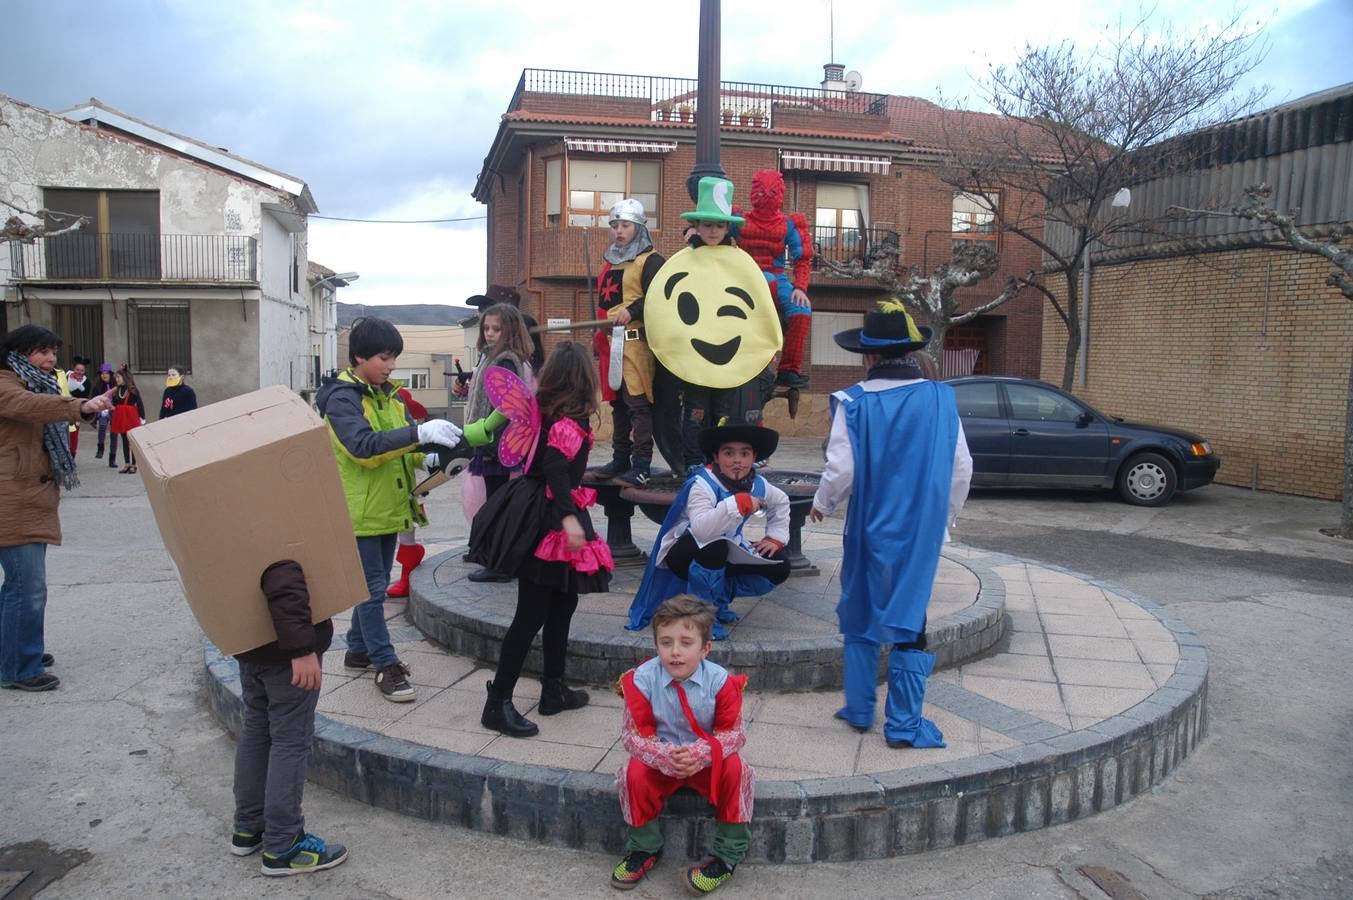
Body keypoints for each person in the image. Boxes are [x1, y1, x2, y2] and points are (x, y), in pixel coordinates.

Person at [810, 300, 973, 748]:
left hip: (869, 525)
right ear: (908, 352)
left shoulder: (853, 402)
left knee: (861, 606)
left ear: (868, 356)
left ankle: (861, 708)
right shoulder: (941, 397)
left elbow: (842, 470)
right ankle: (902, 723)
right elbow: (962, 466)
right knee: (910, 617)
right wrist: (946, 516)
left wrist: (823, 502)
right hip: (920, 531)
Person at [468, 341, 612, 737]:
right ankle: (496, 704)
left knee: (562, 603)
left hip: (537, 508)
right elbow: (554, 464)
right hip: (548, 516)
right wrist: (568, 516)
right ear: (584, 377)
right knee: (530, 616)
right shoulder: (571, 416)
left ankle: (554, 690)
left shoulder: (544, 408)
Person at [315, 316, 463, 703]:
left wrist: (428, 458)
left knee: (374, 584)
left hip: (389, 506)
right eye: (384, 357)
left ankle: (358, 650)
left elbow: (403, 449)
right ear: (360, 356)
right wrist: (418, 433)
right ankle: (385, 663)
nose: (391, 365)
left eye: (394, 358)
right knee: (371, 592)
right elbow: (364, 447)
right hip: (359, 512)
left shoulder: (390, 394)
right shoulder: (342, 398)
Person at [611, 596, 753, 894]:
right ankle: (645, 848)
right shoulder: (640, 680)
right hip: (662, 759)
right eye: (666, 642)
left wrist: (700, 754)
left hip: (705, 762)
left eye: (686, 643)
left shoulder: (720, 681)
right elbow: (633, 736)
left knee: (736, 768)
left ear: (705, 648)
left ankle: (727, 856)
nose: (675, 652)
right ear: (656, 645)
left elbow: (734, 734)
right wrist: (665, 756)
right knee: (634, 772)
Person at [1, 325, 113, 691]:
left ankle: (16, 651)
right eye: (42, 351)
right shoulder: (8, 385)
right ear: (19, 353)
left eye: (52, 352)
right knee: (27, 587)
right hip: (13, 499)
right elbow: (29, 407)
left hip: (26, 498)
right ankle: (20, 667)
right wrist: (78, 406)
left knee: (18, 587)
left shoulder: (35, 382)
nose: (50, 359)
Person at [230, 560, 348, 876]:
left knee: (256, 728)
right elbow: (282, 579)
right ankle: (284, 844)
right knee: (290, 740)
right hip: (284, 656)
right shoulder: (277, 523)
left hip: (252, 647)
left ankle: (248, 826)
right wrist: (301, 650)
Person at [626, 423, 791, 639]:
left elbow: (781, 501)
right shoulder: (702, 484)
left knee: (779, 564)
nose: (737, 460)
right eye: (728, 453)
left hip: (728, 548)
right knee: (715, 547)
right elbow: (703, 530)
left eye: (744, 453)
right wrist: (737, 503)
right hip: (684, 552)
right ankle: (700, 616)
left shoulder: (757, 483)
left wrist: (775, 538)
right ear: (716, 456)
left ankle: (720, 597)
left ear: (754, 457)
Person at [589, 198, 665, 487]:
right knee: (617, 404)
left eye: (625, 225)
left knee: (637, 404)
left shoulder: (652, 261)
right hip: (611, 343)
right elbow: (604, 305)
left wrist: (632, 311)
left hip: (636, 343)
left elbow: (659, 298)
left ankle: (642, 464)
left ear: (639, 227)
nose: (618, 230)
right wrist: (598, 337)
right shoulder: (608, 263)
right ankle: (620, 458)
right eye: (614, 225)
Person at [458, 303, 536, 583]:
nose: (490, 333)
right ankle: (488, 551)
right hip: (491, 441)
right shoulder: (492, 356)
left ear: (511, 330)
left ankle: (500, 563)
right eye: (486, 328)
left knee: (497, 503)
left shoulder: (506, 359)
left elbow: (506, 407)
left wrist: (485, 439)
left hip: (497, 444)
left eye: (496, 329)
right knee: (494, 501)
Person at [733, 170, 814, 389]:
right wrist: (694, 232)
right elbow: (714, 229)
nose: (766, 195)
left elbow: (802, 258)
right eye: (762, 191)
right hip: (745, 275)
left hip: (776, 276)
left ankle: (789, 369)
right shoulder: (737, 219)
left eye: (771, 191)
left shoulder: (788, 224)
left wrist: (800, 288)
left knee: (802, 310)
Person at [386, 386, 428, 599]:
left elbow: (414, 455)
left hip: (407, 495)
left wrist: (430, 460)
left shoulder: (408, 433)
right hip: (382, 494)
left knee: (407, 535)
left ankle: (407, 575)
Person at [109, 365, 145, 474]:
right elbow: (115, 403)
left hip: (131, 417)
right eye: (116, 377)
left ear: (125, 377)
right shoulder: (118, 389)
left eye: (118, 377)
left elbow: (140, 404)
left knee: (132, 441)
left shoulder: (133, 390)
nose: (117, 379)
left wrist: (143, 417)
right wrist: (111, 407)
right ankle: (127, 463)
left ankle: (134, 464)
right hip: (121, 416)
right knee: (124, 440)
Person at [60, 356, 89, 456]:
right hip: (62, 409)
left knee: (73, 434)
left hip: (76, 411)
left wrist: (78, 387)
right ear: (73, 369)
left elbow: (85, 397)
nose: (79, 372)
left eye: (82, 370)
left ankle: (72, 454)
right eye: (77, 369)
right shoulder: (65, 377)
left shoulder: (86, 382)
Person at [93, 363, 115, 460]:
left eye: (106, 373)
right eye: (102, 373)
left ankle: (112, 457)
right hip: (102, 410)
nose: (104, 375)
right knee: (102, 426)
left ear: (110, 374)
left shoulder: (115, 384)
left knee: (114, 433)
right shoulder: (97, 385)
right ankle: (100, 447)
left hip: (114, 409)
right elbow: (92, 399)